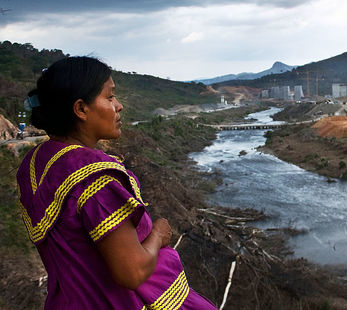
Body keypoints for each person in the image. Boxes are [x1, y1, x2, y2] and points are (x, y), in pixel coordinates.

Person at [16, 56, 218, 310]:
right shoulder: (93, 178)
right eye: (110, 97)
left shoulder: (36, 164)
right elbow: (131, 272)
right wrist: (158, 235)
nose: (119, 106)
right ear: (80, 109)